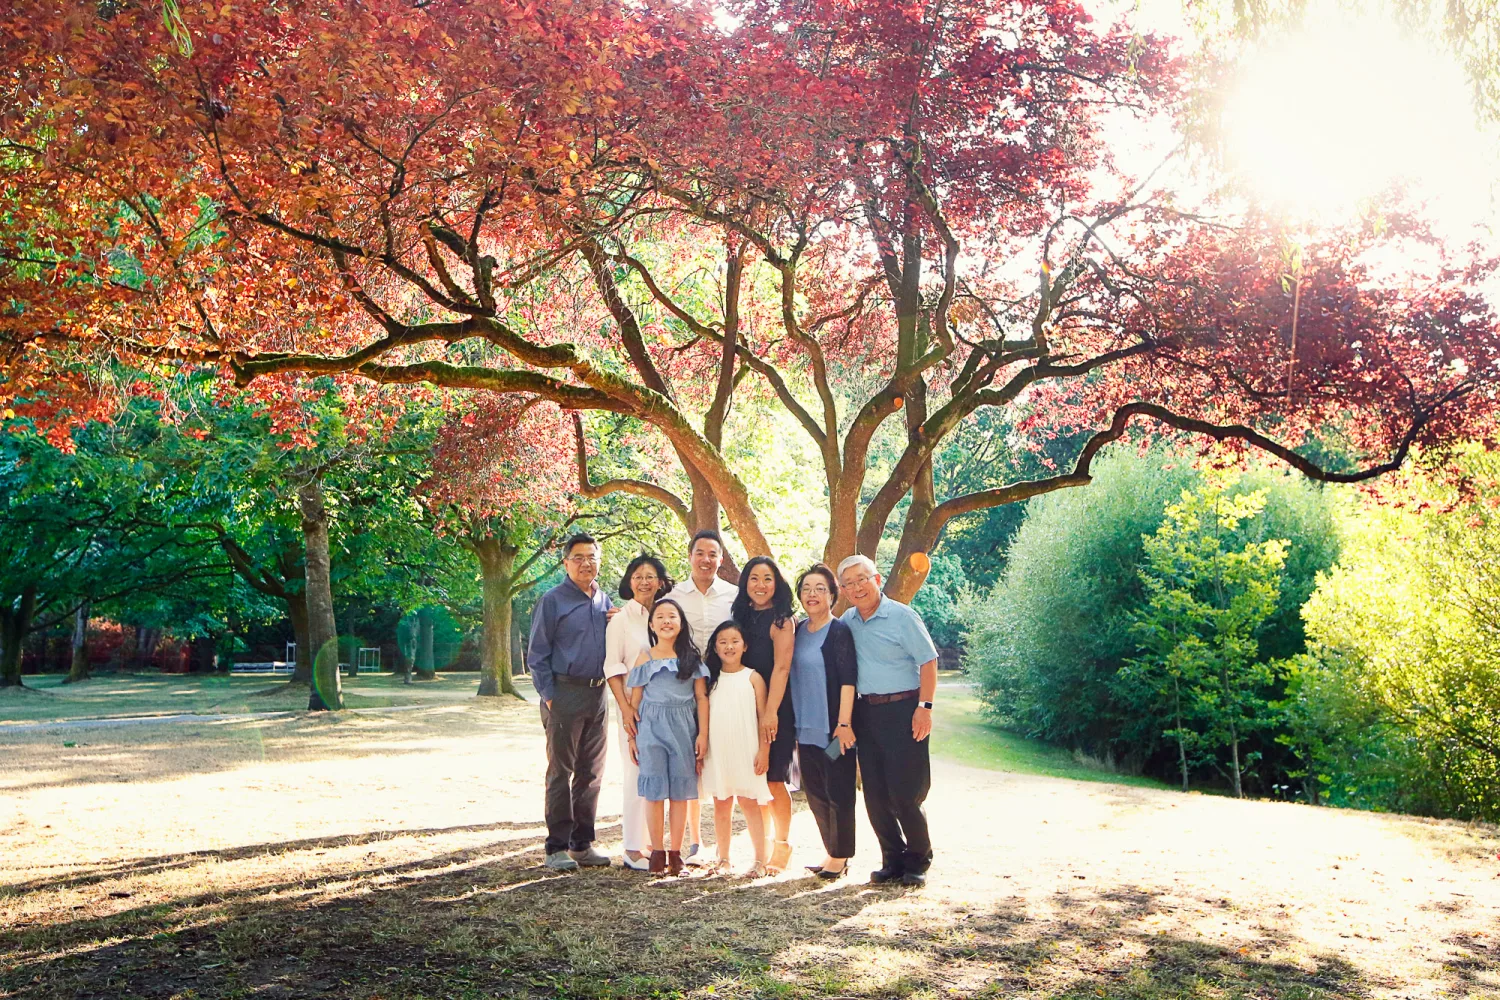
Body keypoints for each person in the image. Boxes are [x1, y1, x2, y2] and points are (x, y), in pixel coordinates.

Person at [837, 554, 939, 887]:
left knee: (905, 792)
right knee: (876, 794)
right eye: (848, 583)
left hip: (904, 710)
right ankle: (891, 860)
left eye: (861, 579)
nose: (856, 587)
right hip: (866, 714)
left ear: (877, 579)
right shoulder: (848, 621)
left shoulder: (902, 616)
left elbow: (928, 661)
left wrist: (925, 706)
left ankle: (918, 860)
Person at [527, 533, 614, 871]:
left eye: (591, 556)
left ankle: (582, 843)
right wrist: (550, 696)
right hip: (563, 694)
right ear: (565, 563)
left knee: (591, 771)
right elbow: (536, 655)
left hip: (598, 694)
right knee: (561, 771)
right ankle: (556, 847)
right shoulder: (553, 600)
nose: (585, 563)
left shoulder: (604, 601)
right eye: (578, 557)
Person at [626, 598, 710, 875]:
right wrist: (631, 737)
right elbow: (634, 701)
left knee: (680, 793)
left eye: (672, 616)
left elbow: (701, 698)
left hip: (684, 729)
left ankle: (676, 854)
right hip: (651, 728)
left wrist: (703, 735)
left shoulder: (691, 659)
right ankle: (656, 852)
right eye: (659, 617)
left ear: (681, 623)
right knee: (654, 792)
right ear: (651, 624)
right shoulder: (645, 657)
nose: (666, 621)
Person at [667, 528, 737, 856]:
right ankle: (695, 840)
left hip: (723, 684)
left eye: (713, 554)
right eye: (700, 553)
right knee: (687, 757)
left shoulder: (735, 596)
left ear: (721, 559)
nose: (706, 559)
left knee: (720, 755)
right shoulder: (674, 596)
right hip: (685, 683)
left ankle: (723, 840)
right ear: (690, 556)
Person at [604, 553, 673, 871]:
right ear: (628, 581)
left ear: (660, 582)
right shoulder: (620, 619)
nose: (644, 582)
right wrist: (626, 709)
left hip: (666, 708)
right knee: (635, 774)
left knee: (656, 775)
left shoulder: (665, 615)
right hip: (634, 707)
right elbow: (613, 667)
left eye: (650, 576)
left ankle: (648, 843)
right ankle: (632, 849)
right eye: (637, 576)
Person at [790, 564, 858, 880]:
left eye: (820, 588)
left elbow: (847, 681)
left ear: (832, 594)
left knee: (838, 791)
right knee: (815, 792)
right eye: (806, 589)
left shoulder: (839, 631)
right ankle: (832, 852)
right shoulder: (798, 630)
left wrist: (844, 724)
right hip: (805, 731)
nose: (812, 594)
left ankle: (841, 856)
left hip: (833, 733)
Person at [732, 555, 797, 873]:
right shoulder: (740, 617)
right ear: (745, 583)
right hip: (743, 707)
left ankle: (782, 845)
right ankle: (762, 848)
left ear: (777, 583)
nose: (760, 585)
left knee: (773, 780)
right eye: (754, 578)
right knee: (752, 779)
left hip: (776, 707)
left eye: (768, 578)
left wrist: (770, 713)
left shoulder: (782, 620)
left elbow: (782, 668)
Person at [699, 621, 772, 877]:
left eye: (735, 641)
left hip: (747, 750)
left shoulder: (753, 678)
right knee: (721, 803)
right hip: (718, 751)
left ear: (745, 646)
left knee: (750, 803)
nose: (729, 646)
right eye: (723, 642)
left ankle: (760, 860)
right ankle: (724, 858)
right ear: (715, 648)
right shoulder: (710, 679)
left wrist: (764, 751)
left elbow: (764, 718)